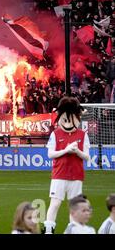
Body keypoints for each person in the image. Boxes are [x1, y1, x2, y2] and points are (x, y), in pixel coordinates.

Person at [43, 97, 90, 234]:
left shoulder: (83, 135)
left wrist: (77, 151)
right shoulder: (55, 134)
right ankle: (48, 230)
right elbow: (50, 154)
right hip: (59, 175)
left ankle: (74, 230)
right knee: (55, 203)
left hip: (76, 175)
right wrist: (66, 150)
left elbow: (86, 157)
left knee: (74, 206)